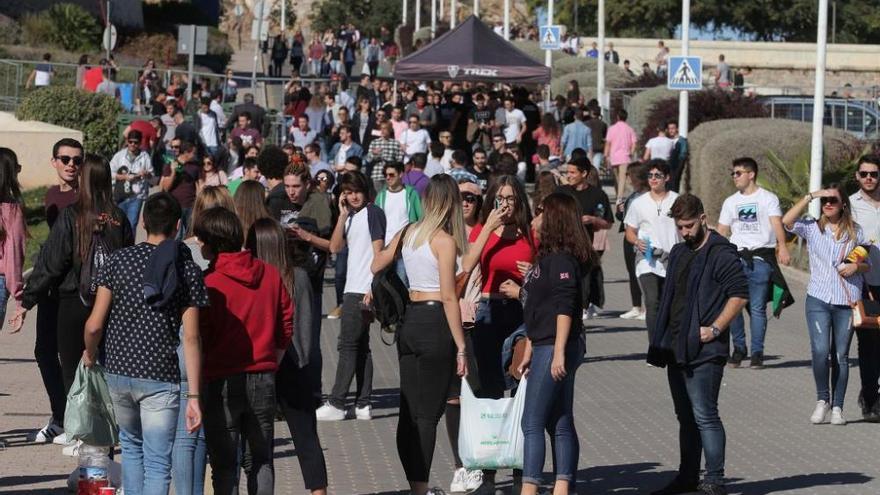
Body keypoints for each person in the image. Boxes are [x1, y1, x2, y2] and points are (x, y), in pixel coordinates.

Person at [78, 192, 205, 494]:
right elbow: (191, 337)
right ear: (178, 226)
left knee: (132, 450)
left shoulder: (118, 261)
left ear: (144, 221)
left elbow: (94, 324)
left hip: (119, 374)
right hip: (161, 376)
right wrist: (195, 396)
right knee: (159, 463)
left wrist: (90, 352)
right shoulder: (187, 270)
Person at [13, 156, 135, 445]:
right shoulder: (119, 218)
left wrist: (27, 300)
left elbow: (52, 263)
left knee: (74, 372)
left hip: (73, 303)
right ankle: (105, 436)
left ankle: (81, 435)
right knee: (107, 370)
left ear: (84, 179)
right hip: (110, 307)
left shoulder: (71, 215)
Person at [371, 174, 469, 495]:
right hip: (434, 322)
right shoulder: (444, 240)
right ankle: (421, 489)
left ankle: (416, 485)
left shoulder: (408, 232)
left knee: (409, 411)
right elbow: (449, 296)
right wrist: (461, 346)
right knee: (428, 415)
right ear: (451, 203)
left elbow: (376, 265)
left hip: (409, 322)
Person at [647, 194, 748, 495]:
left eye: (689, 226)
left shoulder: (721, 253)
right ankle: (687, 476)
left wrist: (715, 328)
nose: (685, 232)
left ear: (703, 219)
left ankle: (714, 480)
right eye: (680, 227)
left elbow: (740, 294)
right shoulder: (679, 252)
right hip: (677, 346)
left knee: (705, 414)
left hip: (705, 351)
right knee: (685, 416)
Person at [195, 206, 292, 494]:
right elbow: (286, 320)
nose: (198, 245)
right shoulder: (270, 274)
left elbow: (201, 335)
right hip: (263, 376)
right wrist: (273, 358)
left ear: (211, 242)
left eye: (201, 240)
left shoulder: (209, 283)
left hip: (221, 380)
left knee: (224, 465)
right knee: (261, 460)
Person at [508, 192, 594, 495]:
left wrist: (558, 353)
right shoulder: (546, 258)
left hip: (556, 346)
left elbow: (564, 306)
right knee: (558, 420)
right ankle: (562, 487)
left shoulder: (562, 261)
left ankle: (530, 489)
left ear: (555, 218)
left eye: (540, 212)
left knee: (531, 421)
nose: (534, 219)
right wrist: (529, 347)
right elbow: (537, 308)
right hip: (543, 344)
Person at [462, 175, 534, 493]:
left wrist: (529, 277)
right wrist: (488, 228)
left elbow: (543, 275)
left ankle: (521, 471)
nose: (505, 204)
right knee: (489, 393)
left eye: (510, 198)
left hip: (520, 314)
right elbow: (466, 263)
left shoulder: (530, 234)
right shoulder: (483, 230)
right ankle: (488, 474)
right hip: (489, 313)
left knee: (521, 391)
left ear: (519, 201)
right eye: (500, 198)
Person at [246, 218, 329, 494]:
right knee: (306, 436)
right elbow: (306, 326)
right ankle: (319, 491)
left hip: (264, 364)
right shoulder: (299, 277)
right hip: (297, 364)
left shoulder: (256, 281)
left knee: (262, 442)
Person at [783, 185, 868, 425]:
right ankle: (823, 400)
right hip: (818, 299)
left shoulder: (856, 232)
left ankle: (838, 408)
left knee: (840, 355)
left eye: (833, 200)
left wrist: (855, 267)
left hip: (847, 299)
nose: (828, 204)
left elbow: (865, 263)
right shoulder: (812, 228)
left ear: (843, 205)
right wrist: (811, 196)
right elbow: (786, 221)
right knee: (820, 352)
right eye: (825, 201)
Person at [27, 138, 83, 444]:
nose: (71, 165)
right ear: (54, 162)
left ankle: (75, 421)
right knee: (44, 351)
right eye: (65, 159)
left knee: (71, 355)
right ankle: (60, 415)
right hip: (51, 285)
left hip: (74, 289)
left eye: (76, 160)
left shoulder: (84, 198)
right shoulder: (51, 195)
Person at [319, 172, 386, 421]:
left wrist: (372, 288)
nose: (352, 196)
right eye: (347, 191)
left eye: (356, 190)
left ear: (366, 190)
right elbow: (335, 248)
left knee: (347, 344)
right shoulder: (352, 216)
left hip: (361, 289)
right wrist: (342, 215)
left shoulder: (373, 212)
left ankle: (337, 403)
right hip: (354, 286)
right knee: (361, 347)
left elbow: (379, 251)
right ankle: (363, 404)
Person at [716, 157, 791, 369]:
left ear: (751, 174)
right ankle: (739, 348)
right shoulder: (730, 202)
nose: (734, 177)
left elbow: (776, 223)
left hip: (760, 259)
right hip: (736, 258)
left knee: (757, 308)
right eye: (733, 173)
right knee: (734, 306)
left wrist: (782, 246)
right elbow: (722, 231)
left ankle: (757, 352)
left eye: (738, 173)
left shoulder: (768, 198)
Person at [624, 160, 680, 344]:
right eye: (650, 175)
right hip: (647, 259)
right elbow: (629, 232)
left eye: (658, 175)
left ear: (667, 178)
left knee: (669, 304)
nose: (653, 179)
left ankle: (669, 344)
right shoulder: (638, 203)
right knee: (652, 302)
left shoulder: (677, 200)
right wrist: (637, 241)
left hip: (671, 258)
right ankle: (655, 347)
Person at [559, 158, 613, 318]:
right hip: (562, 246)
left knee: (583, 282)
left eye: (572, 172)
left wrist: (593, 220)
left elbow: (608, 223)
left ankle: (583, 309)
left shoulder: (597, 195)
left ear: (584, 173)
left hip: (585, 247)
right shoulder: (561, 193)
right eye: (567, 172)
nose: (568, 176)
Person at [849, 155, 880, 421]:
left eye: (874, 174)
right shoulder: (849, 205)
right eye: (864, 174)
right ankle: (870, 397)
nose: (869, 178)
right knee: (868, 345)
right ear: (857, 176)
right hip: (864, 285)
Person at [617, 164, 649, 320]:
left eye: (629, 175)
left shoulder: (647, 195)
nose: (628, 179)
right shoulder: (633, 195)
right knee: (632, 272)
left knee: (645, 272)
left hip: (642, 237)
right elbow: (623, 219)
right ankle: (636, 306)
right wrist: (620, 211)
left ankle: (648, 308)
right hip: (628, 237)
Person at [110, 130, 153, 230]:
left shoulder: (145, 156)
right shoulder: (119, 156)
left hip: (136, 196)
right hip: (121, 195)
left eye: (136, 142)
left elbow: (152, 177)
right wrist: (125, 177)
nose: (133, 144)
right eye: (130, 142)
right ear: (127, 141)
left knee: (132, 224)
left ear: (140, 143)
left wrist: (146, 174)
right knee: (119, 224)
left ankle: (130, 245)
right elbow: (110, 173)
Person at [160, 139, 200, 240]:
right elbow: (165, 187)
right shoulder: (170, 164)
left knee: (190, 235)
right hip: (174, 205)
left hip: (190, 205)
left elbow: (198, 184)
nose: (194, 155)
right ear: (186, 152)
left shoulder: (195, 166)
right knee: (176, 235)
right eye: (193, 153)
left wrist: (198, 202)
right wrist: (173, 172)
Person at [605, 109, 638, 203]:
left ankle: (618, 196)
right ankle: (619, 197)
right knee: (622, 177)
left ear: (617, 117)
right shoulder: (630, 129)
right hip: (625, 156)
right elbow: (634, 143)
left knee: (616, 177)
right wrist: (631, 152)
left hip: (613, 156)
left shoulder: (612, 128)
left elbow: (608, 143)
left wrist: (606, 155)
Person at [365, 122, 405, 189]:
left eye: (385, 129)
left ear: (390, 130)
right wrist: (373, 153)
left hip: (390, 174)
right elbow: (368, 160)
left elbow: (399, 160)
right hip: (377, 174)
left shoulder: (395, 143)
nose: (383, 131)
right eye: (381, 129)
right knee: (379, 196)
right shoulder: (374, 142)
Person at [666, 121, 689, 193]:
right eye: (669, 128)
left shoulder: (681, 141)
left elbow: (683, 154)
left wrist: (678, 168)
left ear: (677, 129)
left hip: (676, 166)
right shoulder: (668, 140)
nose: (671, 130)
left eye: (673, 128)